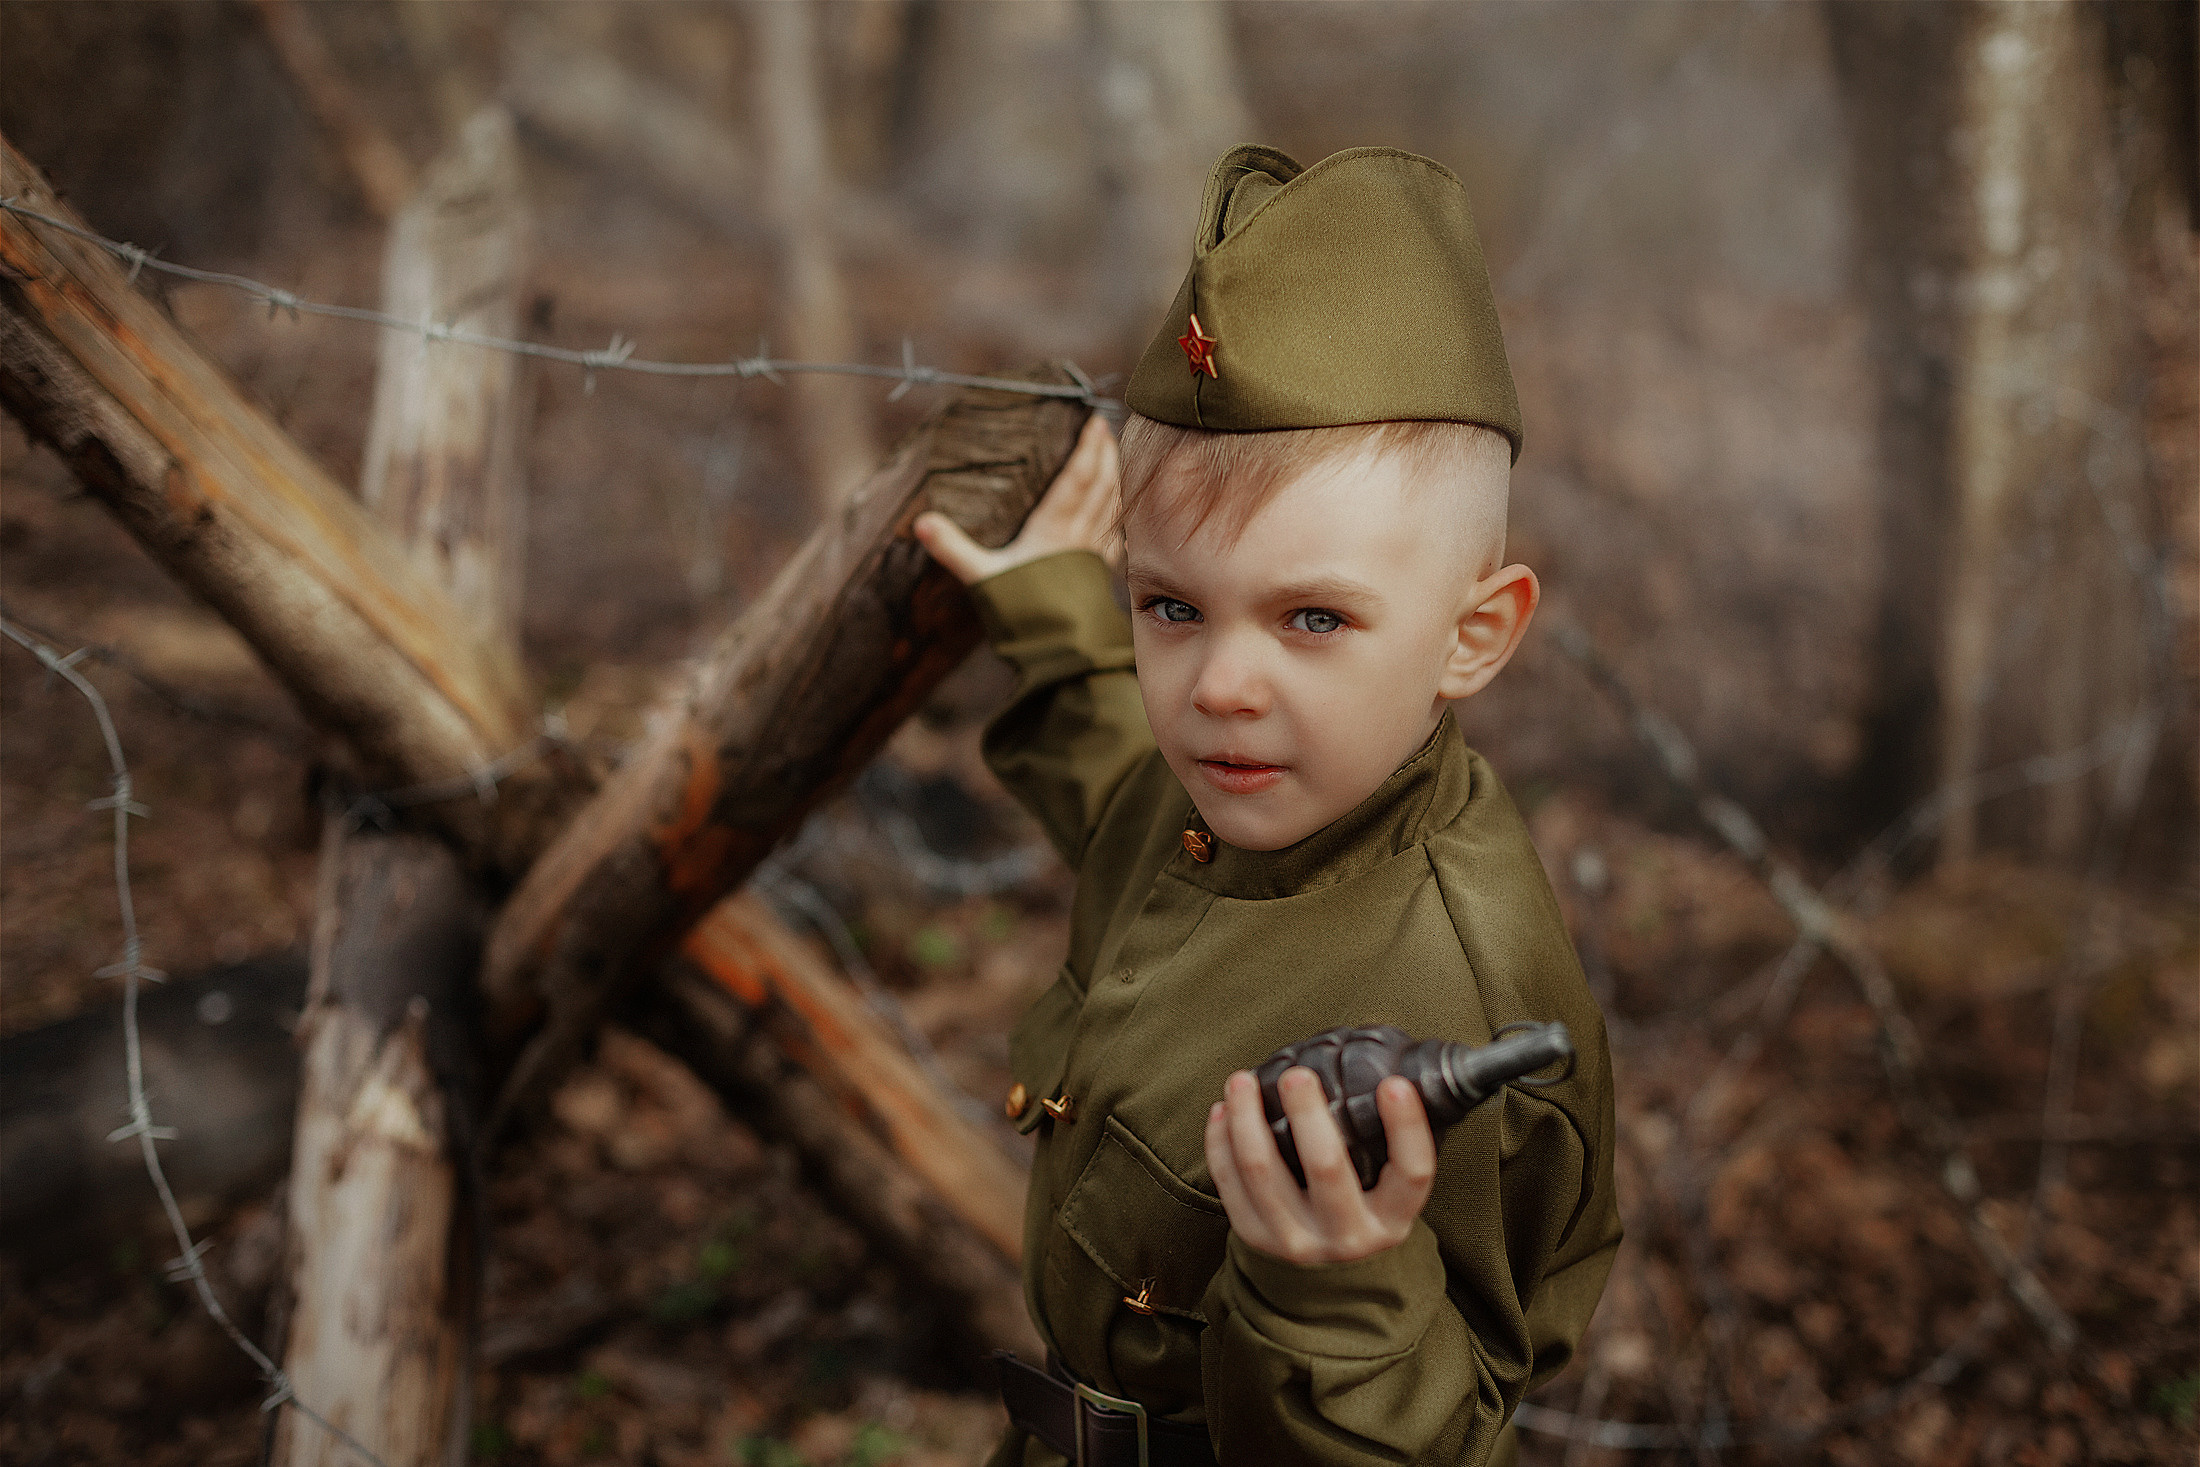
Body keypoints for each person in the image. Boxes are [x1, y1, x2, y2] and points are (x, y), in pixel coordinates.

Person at [913, 144, 1619, 1467]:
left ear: (1475, 634)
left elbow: (1450, 1436)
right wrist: (1067, 616)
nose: (1219, 689)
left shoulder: (1451, 990)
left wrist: (1338, 1289)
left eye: (1313, 616)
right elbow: (1125, 792)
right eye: (1171, 605)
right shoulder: (1254, 789)